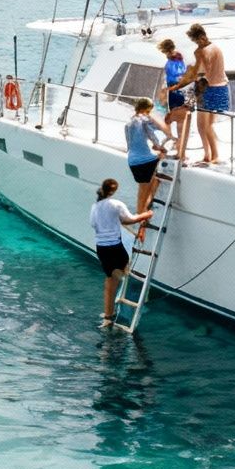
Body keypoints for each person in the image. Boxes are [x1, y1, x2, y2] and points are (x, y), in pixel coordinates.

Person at [90, 178, 153, 325]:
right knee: (125, 270)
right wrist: (147, 214)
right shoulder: (117, 204)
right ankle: (141, 294)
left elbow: (94, 224)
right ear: (113, 191)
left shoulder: (95, 207)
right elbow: (130, 219)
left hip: (101, 247)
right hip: (114, 246)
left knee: (109, 281)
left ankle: (108, 316)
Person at [186, 23, 230, 166]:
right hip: (222, 87)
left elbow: (200, 72)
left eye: (196, 41)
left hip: (207, 88)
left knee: (202, 125)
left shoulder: (201, 52)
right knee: (210, 124)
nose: (197, 43)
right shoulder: (216, 48)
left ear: (202, 37)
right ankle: (211, 155)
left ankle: (211, 156)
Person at [124, 97, 170, 227]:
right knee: (147, 189)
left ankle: (141, 215)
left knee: (145, 188)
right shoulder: (145, 120)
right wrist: (161, 147)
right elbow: (153, 137)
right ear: (147, 109)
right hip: (146, 161)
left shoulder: (128, 125)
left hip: (133, 161)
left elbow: (129, 145)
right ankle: (141, 218)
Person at [157, 37, 192, 161]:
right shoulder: (181, 59)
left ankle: (176, 145)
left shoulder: (171, 63)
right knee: (180, 122)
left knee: (172, 119)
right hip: (182, 92)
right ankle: (180, 149)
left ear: (166, 51)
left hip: (174, 93)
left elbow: (173, 78)